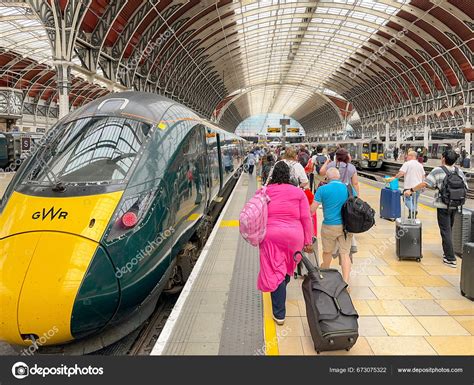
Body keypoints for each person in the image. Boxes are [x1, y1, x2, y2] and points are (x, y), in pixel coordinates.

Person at [257, 161, 313, 325]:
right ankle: (281, 286)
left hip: (271, 236)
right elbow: (306, 218)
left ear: (272, 175)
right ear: (290, 176)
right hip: (294, 238)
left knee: (276, 271)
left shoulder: (264, 192)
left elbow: (255, 212)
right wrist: (308, 240)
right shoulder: (298, 193)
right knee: (286, 269)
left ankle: (279, 313)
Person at [404, 150, 468, 268]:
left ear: (443, 158)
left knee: (445, 231)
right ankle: (447, 253)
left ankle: (450, 258)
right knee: (449, 229)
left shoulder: (438, 170)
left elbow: (425, 184)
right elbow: (466, 187)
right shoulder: (459, 171)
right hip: (455, 205)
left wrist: (411, 190)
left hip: (443, 206)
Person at [314, 167, 353, 284]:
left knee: (327, 252)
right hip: (346, 227)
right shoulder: (347, 188)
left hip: (329, 227)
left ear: (327, 177)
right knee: (345, 253)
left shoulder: (322, 189)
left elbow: (312, 209)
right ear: (338, 177)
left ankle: (324, 273)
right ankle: (345, 281)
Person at [388, 150, 425, 218]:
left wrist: (394, 178)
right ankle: (412, 216)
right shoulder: (420, 165)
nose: (406, 157)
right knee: (414, 201)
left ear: (412, 156)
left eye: (408, 155)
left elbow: (401, 173)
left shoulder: (407, 164)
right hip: (418, 187)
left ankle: (413, 210)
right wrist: (423, 187)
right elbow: (423, 176)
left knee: (406, 199)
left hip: (409, 187)